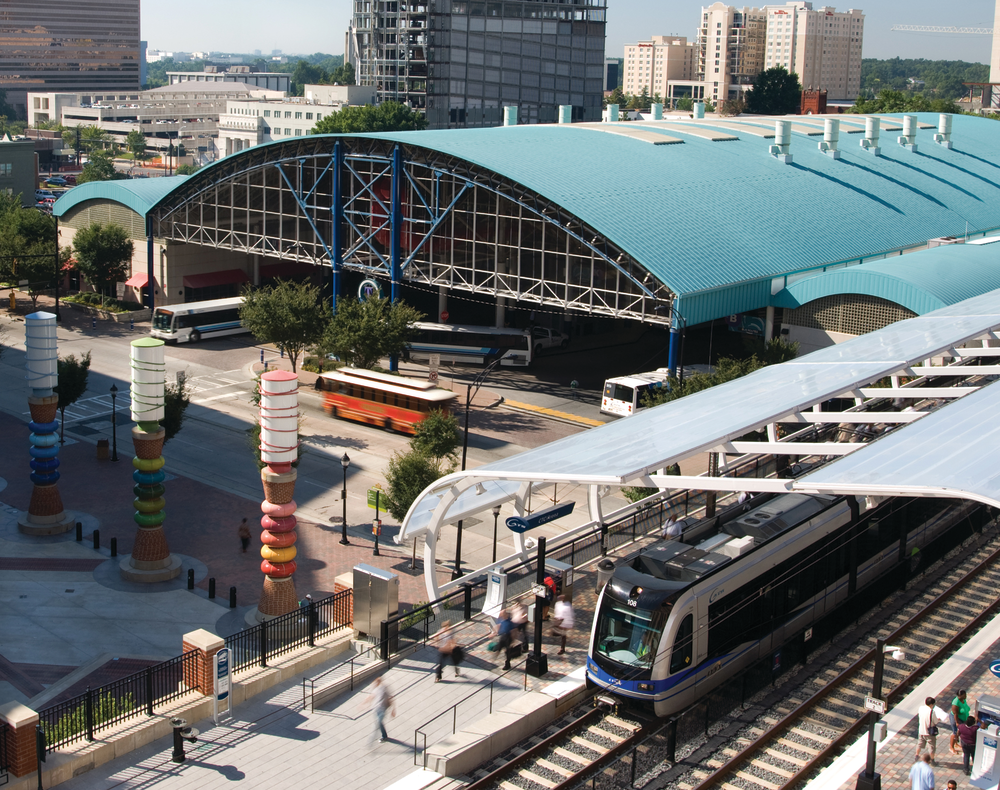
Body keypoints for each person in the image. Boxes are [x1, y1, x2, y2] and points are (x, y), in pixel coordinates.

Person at [917, 696, 950, 765]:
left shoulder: (921, 708)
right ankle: (932, 760)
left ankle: (916, 755)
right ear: (931, 705)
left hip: (921, 730)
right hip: (929, 732)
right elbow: (935, 722)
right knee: (931, 747)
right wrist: (938, 719)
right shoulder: (932, 712)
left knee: (920, 744)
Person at [370, 676, 395, 743]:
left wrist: (393, 710)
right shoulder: (376, 689)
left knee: (379, 722)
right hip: (377, 708)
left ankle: (384, 736)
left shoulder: (384, 689)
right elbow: (371, 697)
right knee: (379, 722)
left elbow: (391, 698)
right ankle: (383, 735)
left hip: (383, 708)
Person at [950, 690, 970, 755]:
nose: (966, 696)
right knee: (955, 732)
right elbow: (955, 714)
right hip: (957, 719)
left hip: (963, 719)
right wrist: (957, 723)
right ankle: (951, 747)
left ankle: (955, 743)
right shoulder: (955, 703)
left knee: (959, 732)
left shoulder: (963, 700)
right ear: (960, 696)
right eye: (964, 695)